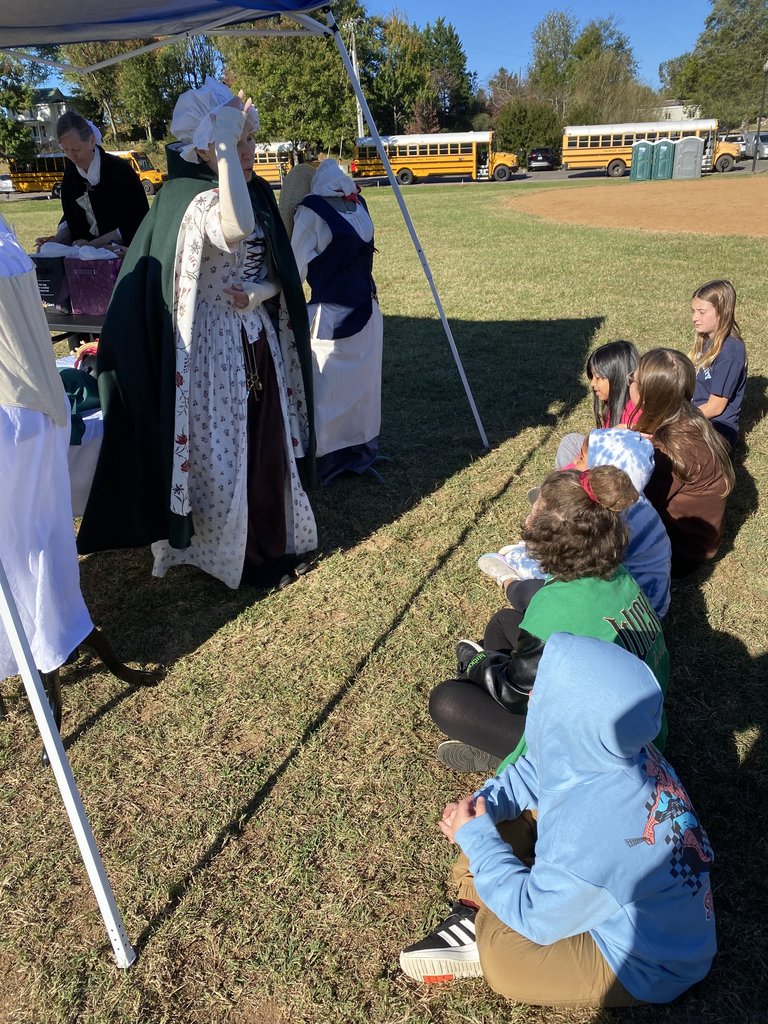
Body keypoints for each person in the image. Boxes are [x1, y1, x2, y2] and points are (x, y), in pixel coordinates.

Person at [78, 78, 317, 590]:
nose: (251, 150)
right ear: (206, 144)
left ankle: (270, 540)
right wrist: (228, 154)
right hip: (212, 353)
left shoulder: (248, 190)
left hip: (256, 340)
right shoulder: (196, 200)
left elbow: (277, 269)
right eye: (238, 140)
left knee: (266, 443)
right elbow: (234, 227)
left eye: (251, 139)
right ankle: (243, 553)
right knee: (229, 454)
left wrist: (263, 292)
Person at [401, 634, 716, 1008]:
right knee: (492, 819)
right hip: (608, 885)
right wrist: (481, 805)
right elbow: (537, 768)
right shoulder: (609, 746)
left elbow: (537, 917)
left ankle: (478, 920)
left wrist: (481, 842)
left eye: (543, 691)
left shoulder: (600, 828)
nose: (531, 698)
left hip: (648, 962)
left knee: (505, 959)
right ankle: (491, 891)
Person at [0, 215, 156, 758]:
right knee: (34, 546)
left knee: (29, 548)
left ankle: (46, 635)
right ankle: (45, 632)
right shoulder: (10, 247)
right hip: (32, 415)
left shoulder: (6, 252)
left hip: (17, 420)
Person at [431, 466, 669, 775]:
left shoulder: (557, 608)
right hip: (643, 729)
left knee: (447, 701)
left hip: (602, 757)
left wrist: (478, 663)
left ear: (548, 540)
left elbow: (514, 694)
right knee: (504, 622)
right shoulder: (617, 576)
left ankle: (524, 760)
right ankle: (500, 742)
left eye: (533, 514)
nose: (527, 519)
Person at [479, 426, 672, 620]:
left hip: (625, 614)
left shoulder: (607, 521)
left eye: (581, 459)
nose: (573, 463)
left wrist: (521, 558)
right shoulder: (629, 505)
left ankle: (508, 576)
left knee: (539, 592)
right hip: (643, 603)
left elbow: (573, 569)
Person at [288, 159, 383, 483]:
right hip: (332, 318)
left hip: (366, 313)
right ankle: (327, 461)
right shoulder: (312, 212)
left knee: (363, 389)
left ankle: (359, 451)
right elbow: (296, 269)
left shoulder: (358, 202)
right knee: (329, 393)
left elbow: (295, 267)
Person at [629, 348, 734, 577]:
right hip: (696, 545)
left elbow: (635, 503)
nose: (630, 384)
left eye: (633, 380)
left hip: (678, 554)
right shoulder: (693, 419)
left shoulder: (668, 451)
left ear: (646, 397)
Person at [35, 112, 148, 252]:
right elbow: (72, 216)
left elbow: (137, 222)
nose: (71, 156)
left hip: (124, 253)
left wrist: (93, 244)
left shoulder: (120, 171)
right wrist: (56, 241)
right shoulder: (71, 175)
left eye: (76, 149)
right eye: (65, 150)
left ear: (92, 140)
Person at [556, 340, 640, 469]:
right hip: (602, 464)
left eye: (599, 378)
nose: (592, 384)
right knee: (570, 442)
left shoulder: (633, 417)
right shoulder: (614, 405)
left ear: (618, 378)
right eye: (592, 377)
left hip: (612, 478)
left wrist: (572, 472)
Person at [689, 279, 747, 447]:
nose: (694, 318)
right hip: (697, 416)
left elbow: (715, 408)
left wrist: (679, 419)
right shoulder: (708, 339)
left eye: (701, 312)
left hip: (717, 429)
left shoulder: (730, 352)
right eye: (693, 311)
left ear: (723, 312)